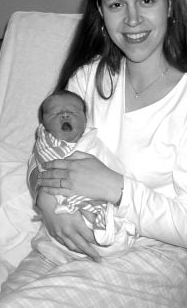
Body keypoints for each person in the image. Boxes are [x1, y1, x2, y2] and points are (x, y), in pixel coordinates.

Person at [0, 0, 187, 307]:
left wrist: (117, 188)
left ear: (169, 5)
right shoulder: (87, 81)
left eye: (147, 1)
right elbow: (45, 152)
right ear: (101, 13)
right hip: (60, 246)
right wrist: (44, 200)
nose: (133, 19)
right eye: (117, 4)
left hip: (151, 259)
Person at [29, 90, 136, 263]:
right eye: (55, 113)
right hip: (60, 219)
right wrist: (45, 197)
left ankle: (106, 236)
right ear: (43, 125)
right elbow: (36, 172)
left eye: (73, 112)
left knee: (107, 223)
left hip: (97, 201)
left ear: (85, 120)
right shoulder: (44, 147)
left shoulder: (92, 144)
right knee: (49, 242)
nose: (64, 114)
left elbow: (116, 173)